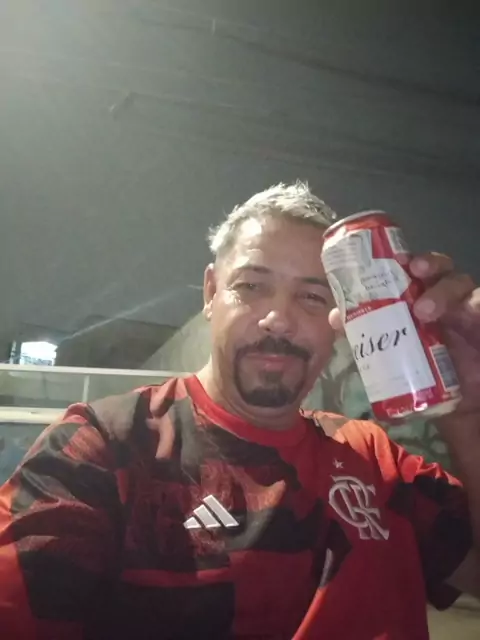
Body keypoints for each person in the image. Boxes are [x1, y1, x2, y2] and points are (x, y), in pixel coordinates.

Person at [0, 182, 479, 640]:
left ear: (341, 320)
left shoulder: (373, 458)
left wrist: (470, 413)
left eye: (313, 296)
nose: (279, 319)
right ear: (211, 293)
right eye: (251, 286)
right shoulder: (104, 446)